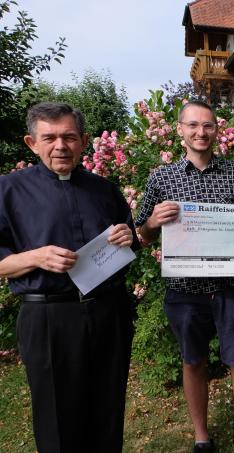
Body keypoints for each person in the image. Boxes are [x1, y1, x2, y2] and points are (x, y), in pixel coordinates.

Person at [135, 100, 234, 453]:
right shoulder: (161, 178)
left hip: (231, 285)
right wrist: (152, 221)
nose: (201, 132)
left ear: (217, 131)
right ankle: (201, 436)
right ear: (180, 131)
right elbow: (141, 233)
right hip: (185, 288)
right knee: (192, 360)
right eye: (193, 126)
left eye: (208, 126)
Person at [0, 102, 138, 452]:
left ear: (83, 141)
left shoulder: (104, 189)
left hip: (108, 311)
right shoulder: (8, 191)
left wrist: (129, 236)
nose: (60, 146)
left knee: (108, 410)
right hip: (49, 316)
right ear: (31, 142)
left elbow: (129, 239)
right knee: (58, 418)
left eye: (69, 137)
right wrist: (35, 256)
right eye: (49, 138)